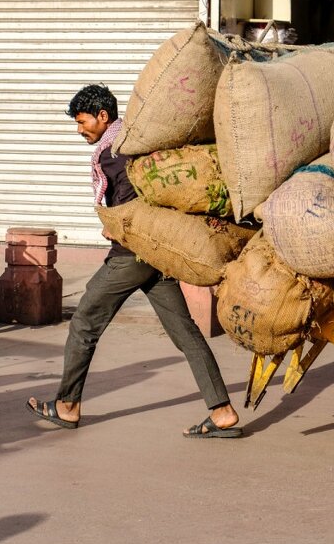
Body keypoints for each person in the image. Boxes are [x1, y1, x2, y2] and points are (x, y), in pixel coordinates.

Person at [26, 84, 242, 439]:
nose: (80, 130)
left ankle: (67, 405)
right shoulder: (139, 142)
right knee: (186, 333)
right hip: (158, 255)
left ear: (102, 116)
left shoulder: (113, 153)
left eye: (82, 122)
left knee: (84, 323)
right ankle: (222, 411)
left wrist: (118, 229)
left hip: (130, 255)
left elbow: (131, 211)